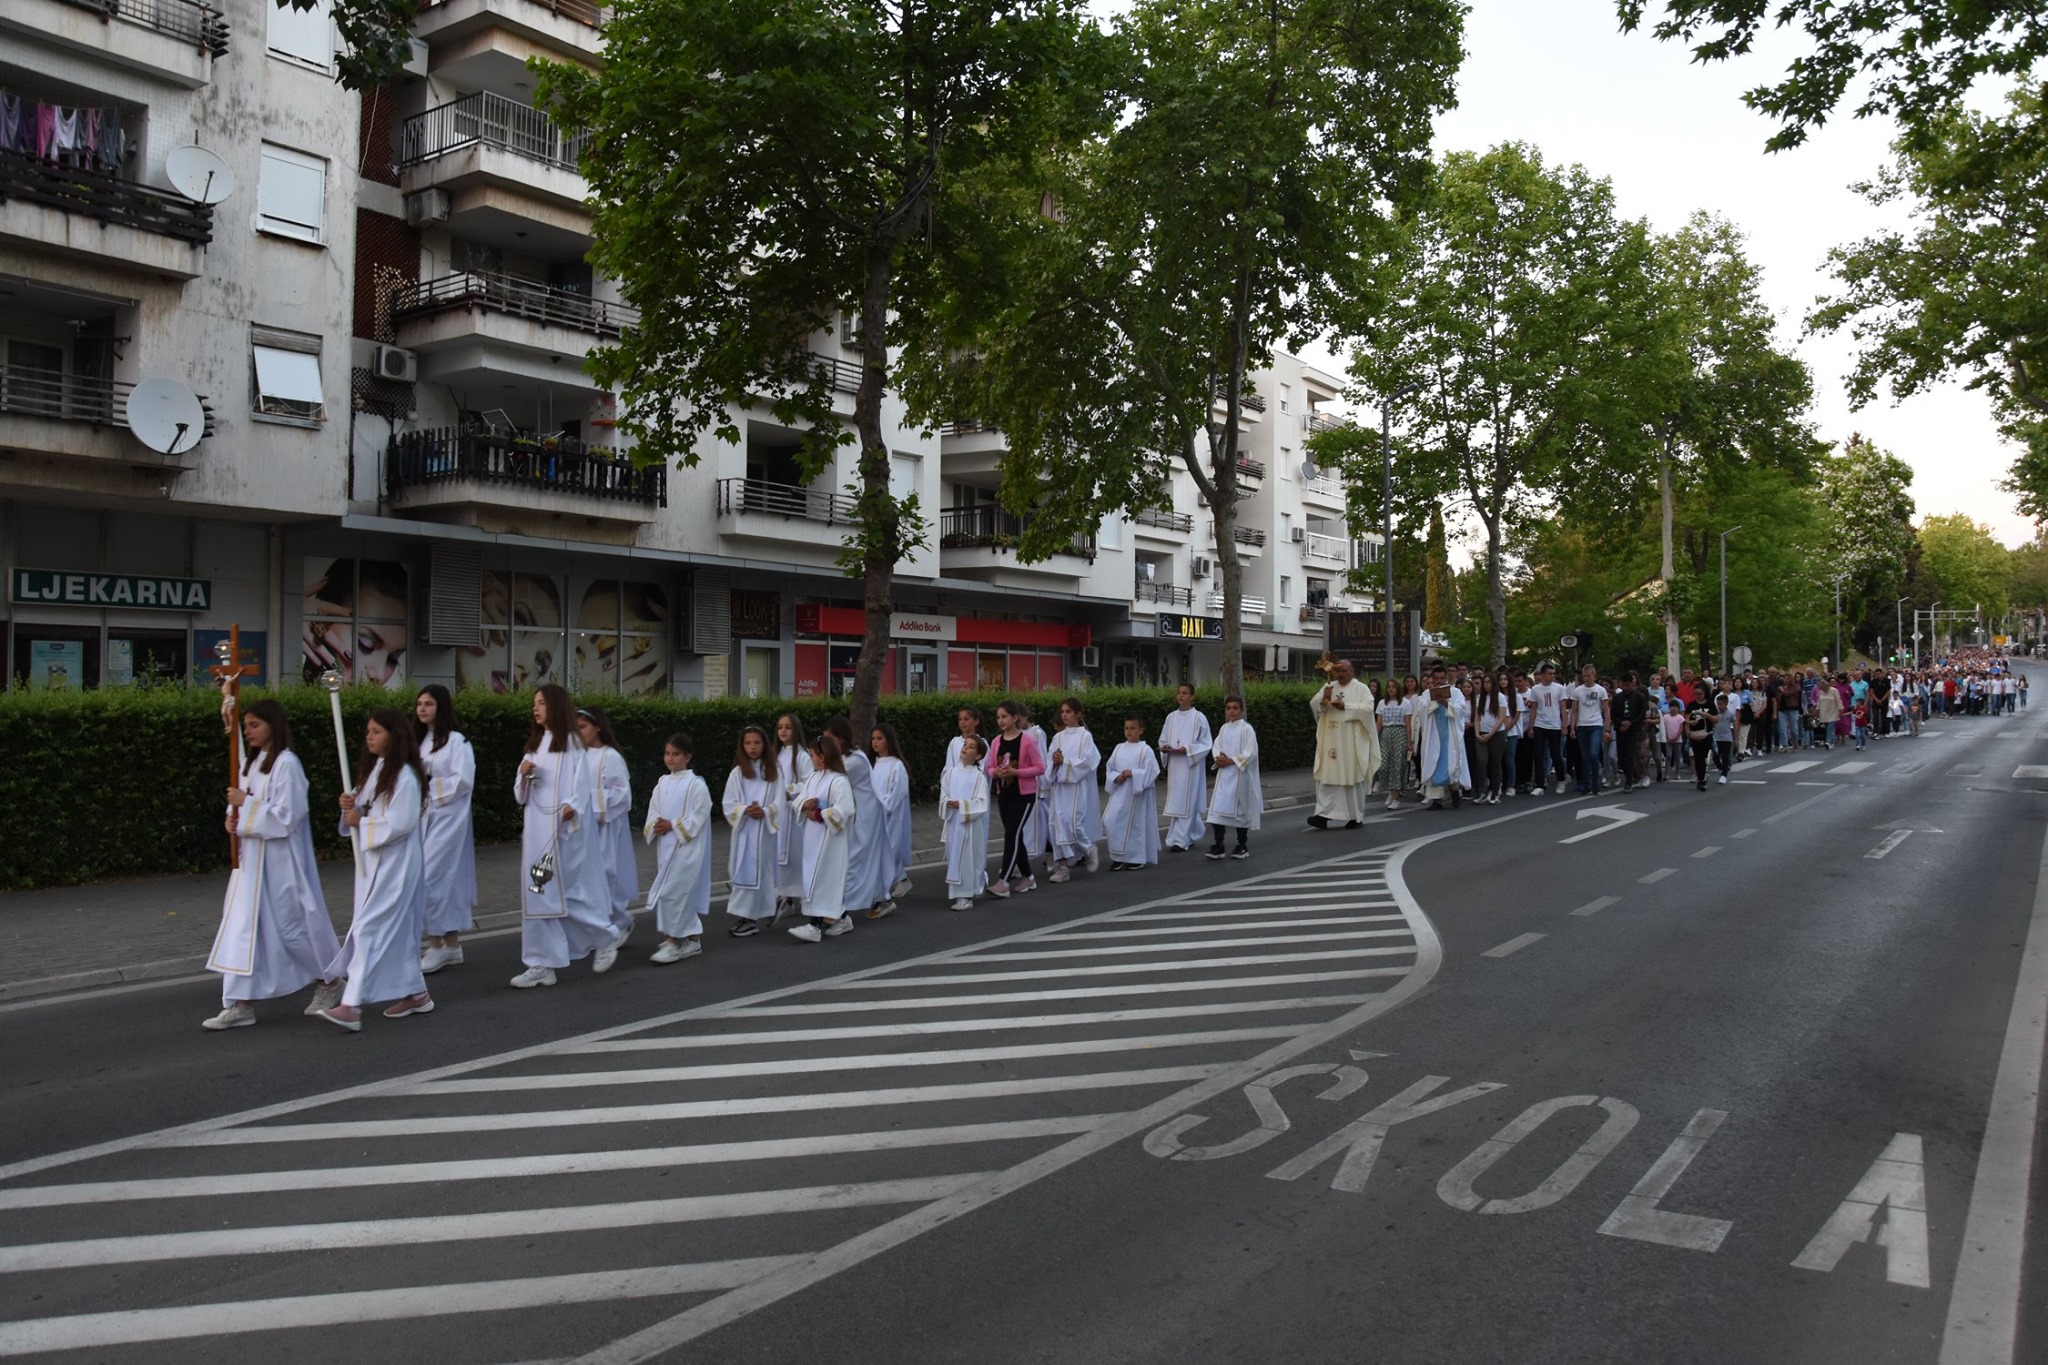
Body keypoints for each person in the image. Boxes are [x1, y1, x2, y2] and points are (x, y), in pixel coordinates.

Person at [204, 699, 343, 1030]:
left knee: (291, 929)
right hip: (251, 864)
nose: (248, 732)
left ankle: (330, 980)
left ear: (273, 726)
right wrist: (232, 819)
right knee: (243, 930)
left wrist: (245, 806)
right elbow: (238, 805)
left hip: (282, 862)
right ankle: (240, 1003)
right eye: (247, 725)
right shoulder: (250, 765)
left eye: (255, 725)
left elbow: (286, 816)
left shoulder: (286, 764)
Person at [319, 708, 431, 1030]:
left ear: (394, 737)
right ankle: (417, 993)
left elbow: (400, 823)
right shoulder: (378, 770)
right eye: (368, 731)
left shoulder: (406, 776)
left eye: (376, 731)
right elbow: (363, 807)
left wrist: (361, 820)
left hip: (395, 866)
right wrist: (350, 805)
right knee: (392, 933)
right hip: (373, 865)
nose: (369, 736)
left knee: (369, 929)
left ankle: (351, 1005)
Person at [510, 683, 615, 988]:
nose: (536, 708)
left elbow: (580, 785)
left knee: (565, 894)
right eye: (534, 703)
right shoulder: (535, 744)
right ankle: (542, 962)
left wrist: (573, 806)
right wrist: (526, 773)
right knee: (538, 893)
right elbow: (522, 792)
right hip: (536, 830)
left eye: (541, 702)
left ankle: (605, 936)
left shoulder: (571, 742)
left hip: (562, 831)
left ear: (555, 706)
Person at [414, 685, 476, 976]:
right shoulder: (418, 740)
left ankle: (435, 943)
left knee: (431, 877)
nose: (422, 708)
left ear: (441, 706)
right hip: (422, 817)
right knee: (441, 880)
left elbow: (462, 781)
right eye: (419, 704)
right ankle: (451, 945)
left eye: (428, 703)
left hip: (448, 818)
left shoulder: (456, 742)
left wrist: (428, 782)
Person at [576, 707, 639, 968]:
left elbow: (622, 794)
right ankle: (600, 929)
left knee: (608, 875)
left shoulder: (610, 756)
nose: (579, 733)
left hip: (606, 825)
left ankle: (621, 921)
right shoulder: (578, 756)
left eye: (583, 727)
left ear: (597, 727)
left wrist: (590, 801)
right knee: (588, 879)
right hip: (584, 827)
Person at [643, 733, 711, 963]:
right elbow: (653, 811)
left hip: (687, 848)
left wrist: (673, 825)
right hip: (666, 847)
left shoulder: (696, 784)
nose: (670, 759)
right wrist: (656, 825)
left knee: (673, 892)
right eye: (667, 754)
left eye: (676, 754)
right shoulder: (662, 783)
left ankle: (672, 941)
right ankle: (692, 941)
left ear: (687, 756)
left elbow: (700, 815)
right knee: (678, 893)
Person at [789, 733, 857, 942]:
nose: (810, 759)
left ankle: (814, 925)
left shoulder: (839, 781)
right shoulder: (813, 777)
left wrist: (818, 814)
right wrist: (805, 804)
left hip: (831, 841)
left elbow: (845, 809)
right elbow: (799, 800)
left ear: (823, 757)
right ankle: (842, 918)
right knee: (815, 878)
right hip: (813, 839)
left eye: (812, 755)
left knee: (823, 879)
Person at [984, 700, 1046, 896]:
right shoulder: (996, 742)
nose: (1000, 721)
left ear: (1014, 718)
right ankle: (1028, 877)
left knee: (1011, 834)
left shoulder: (1027, 740)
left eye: (1004, 716)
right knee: (1015, 835)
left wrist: (1016, 772)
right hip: (1004, 793)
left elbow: (1040, 767)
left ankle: (1004, 882)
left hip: (1024, 794)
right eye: (998, 717)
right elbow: (989, 767)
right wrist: (997, 773)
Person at [824, 716, 884, 919]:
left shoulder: (855, 760)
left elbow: (833, 782)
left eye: (830, 739)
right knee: (862, 860)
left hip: (864, 817)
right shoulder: (844, 759)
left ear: (841, 739)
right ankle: (880, 898)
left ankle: (840, 908)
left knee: (852, 860)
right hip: (854, 814)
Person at [1307, 659, 1379, 828]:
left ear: (1352, 671)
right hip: (1331, 739)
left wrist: (1346, 706)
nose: (1340, 674)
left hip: (1350, 742)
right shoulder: (1329, 686)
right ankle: (1323, 815)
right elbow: (1315, 706)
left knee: (1351, 777)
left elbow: (1368, 709)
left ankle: (1354, 817)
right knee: (1328, 776)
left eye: (1344, 670)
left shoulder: (1361, 689)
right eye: (1338, 671)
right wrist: (1324, 699)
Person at [722, 725, 778, 936]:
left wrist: (764, 811)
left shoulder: (773, 772)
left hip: (763, 833)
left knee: (761, 872)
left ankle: (751, 917)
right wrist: (746, 809)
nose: (752, 747)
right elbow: (728, 803)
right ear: (742, 746)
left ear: (764, 744)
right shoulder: (737, 773)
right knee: (742, 870)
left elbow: (779, 803)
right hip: (744, 832)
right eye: (748, 743)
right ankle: (748, 916)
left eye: (756, 742)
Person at [1044, 697, 1102, 883]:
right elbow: (1049, 761)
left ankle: (1088, 848)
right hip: (1059, 787)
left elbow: (1088, 762)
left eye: (1068, 711)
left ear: (1078, 713)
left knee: (1073, 823)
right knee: (1055, 825)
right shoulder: (1057, 737)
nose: (1064, 715)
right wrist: (1054, 761)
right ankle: (1062, 868)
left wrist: (1066, 762)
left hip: (1075, 787)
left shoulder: (1085, 736)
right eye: (1063, 712)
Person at [1158, 683, 1213, 850]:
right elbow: (1163, 738)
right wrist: (1166, 748)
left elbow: (1206, 743)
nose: (1181, 696)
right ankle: (1193, 832)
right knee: (1177, 802)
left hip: (1190, 765)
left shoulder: (1199, 718)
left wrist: (1189, 750)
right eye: (1179, 693)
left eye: (1185, 693)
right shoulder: (1171, 717)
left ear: (1192, 696)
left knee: (1187, 801)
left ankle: (1180, 840)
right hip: (1175, 765)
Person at [1104, 714, 1161, 869]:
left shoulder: (1145, 750)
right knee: (1110, 820)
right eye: (1126, 728)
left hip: (1136, 794)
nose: (1129, 732)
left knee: (1135, 825)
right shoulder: (1119, 747)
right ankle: (1118, 855)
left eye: (1133, 728)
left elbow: (1152, 771)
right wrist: (1116, 777)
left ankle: (1136, 857)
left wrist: (1134, 774)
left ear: (1141, 730)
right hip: (1120, 792)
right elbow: (1110, 768)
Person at [1207, 695, 1262, 858]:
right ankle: (1218, 845)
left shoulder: (1246, 729)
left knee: (1240, 812)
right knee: (1217, 811)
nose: (1231, 711)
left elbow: (1251, 752)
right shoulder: (1224, 728)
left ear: (1241, 710)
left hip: (1240, 775)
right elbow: (1216, 746)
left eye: (1235, 708)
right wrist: (1219, 757)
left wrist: (1230, 760)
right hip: (1224, 776)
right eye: (1228, 708)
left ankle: (1242, 845)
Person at [869, 723, 913, 917]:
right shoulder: (874, 765)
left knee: (887, 854)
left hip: (891, 819)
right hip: (874, 820)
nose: (876, 742)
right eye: (873, 739)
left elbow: (896, 795)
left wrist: (881, 807)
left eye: (880, 738)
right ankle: (897, 882)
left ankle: (883, 897)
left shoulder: (897, 766)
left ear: (889, 740)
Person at [942, 734, 991, 910]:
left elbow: (982, 802)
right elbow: (944, 792)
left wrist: (962, 805)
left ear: (978, 756)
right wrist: (947, 802)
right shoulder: (952, 772)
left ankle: (966, 896)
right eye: (965, 745)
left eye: (971, 747)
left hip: (969, 826)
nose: (965, 748)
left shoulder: (978, 777)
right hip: (954, 822)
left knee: (967, 859)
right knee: (955, 857)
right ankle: (960, 892)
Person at [771, 713, 813, 914]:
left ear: (796, 730)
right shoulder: (775, 754)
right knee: (778, 856)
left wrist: (790, 791)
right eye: (780, 727)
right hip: (779, 816)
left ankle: (804, 895)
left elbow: (809, 782)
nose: (783, 731)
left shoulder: (803, 756)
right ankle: (784, 896)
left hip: (794, 816)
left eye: (787, 727)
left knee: (796, 855)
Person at [1415, 666, 1471, 809]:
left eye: (1441, 678)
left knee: (1450, 764)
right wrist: (1432, 702)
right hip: (1434, 735)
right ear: (1432, 679)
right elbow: (1420, 710)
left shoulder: (1455, 692)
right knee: (1434, 764)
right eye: (1436, 678)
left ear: (1446, 678)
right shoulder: (1427, 693)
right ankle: (1436, 800)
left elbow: (1461, 710)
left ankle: (1454, 791)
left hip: (1450, 736)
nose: (1439, 681)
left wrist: (1447, 703)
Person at [1525, 662, 1570, 795]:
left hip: (1554, 725)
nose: (1552, 676)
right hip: (1540, 724)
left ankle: (1561, 778)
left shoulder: (1559, 688)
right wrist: (1531, 726)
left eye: (1553, 674)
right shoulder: (1535, 689)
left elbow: (1563, 708)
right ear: (1543, 675)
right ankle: (1539, 784)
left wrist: (1564, 725)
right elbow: (1533, 708)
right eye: (1549, 674)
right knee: (1538, 754)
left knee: (1556, 754)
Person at [1569, 664, 1611, 795]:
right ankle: (1586, 784)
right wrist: (1572, 727)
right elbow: (1574, 711)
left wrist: (1607, 728)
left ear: (1594, 676)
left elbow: (1606, 710)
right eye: (1584, 676)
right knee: (1585, 756)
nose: (1586, 678)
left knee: (1594, 753)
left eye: (1588, 676)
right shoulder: (1577, 691)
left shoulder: (1600, 690)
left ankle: (1595, 782)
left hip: (1596, 724)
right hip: (1582, 725)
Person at [1473, 673, 1511, 804]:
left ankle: (1495, 792)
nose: (1486, 685)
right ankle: (1482, 791)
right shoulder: (1480, 698)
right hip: (1482, 732)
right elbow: (1477, 717)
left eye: (1489, 682)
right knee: (1481, 761)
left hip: (1496, 734)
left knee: (1495, 763)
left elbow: (1502, 718)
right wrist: (1477, 733)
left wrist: (1490, 734)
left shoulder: (1500, 697)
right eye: (1485, 682)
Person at [1376, 678, 1412, 811]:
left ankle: (1396, 797)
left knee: (1397, 765)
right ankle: (1390, 790)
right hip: (1386, 733)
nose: (1391, 689)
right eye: (1389, 687)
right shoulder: (1382, 703)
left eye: (1393, 687)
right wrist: (1374, 738)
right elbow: (1379, 722)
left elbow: (1408, 723)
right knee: (1383, 765)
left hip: (1399, 732)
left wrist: (1409, 742)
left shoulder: (1405, 703)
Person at [1612, 671, 1650, 793]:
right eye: (1623, 685)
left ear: (1632, 684)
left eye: (1628, 685)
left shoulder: (1639, 697)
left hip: (1634, 730)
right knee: (1622, 756)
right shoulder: (1617, 698)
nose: (1626, 688)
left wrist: (1631, 723)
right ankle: (1629, 775)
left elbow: (1641, 713)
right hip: (1621, 729)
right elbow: (1613, 713)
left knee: (1630, 755)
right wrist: (1621, 723)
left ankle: (1628, 781)